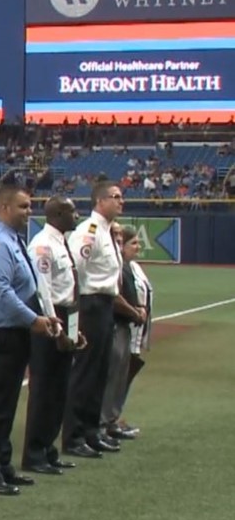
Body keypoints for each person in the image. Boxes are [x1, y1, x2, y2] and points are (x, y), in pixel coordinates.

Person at [0, 185, 61, 496]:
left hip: (13, 331)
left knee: (6, 404)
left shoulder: (13, 240)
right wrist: (33, 319)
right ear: (5, 207)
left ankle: (1, 465)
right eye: (23, 206)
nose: (29, 211)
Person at [21, 196, 84, 476]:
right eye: (72, 210)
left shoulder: (61, 241)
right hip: (50, 318)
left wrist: (73, 328)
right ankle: (35, 454)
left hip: (65, 314)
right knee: (44, 389)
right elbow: (43, 290)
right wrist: (57, 329)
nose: (77, 215)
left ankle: (48, 449)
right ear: (58, 213)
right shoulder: (43, 245)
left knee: (59, 389)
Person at [63, 182, 125, 458]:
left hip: (105, 305)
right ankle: (74, 435)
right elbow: (75, 267)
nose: (121, 201)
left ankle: (91, 431)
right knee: (86, 371)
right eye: (115, 197)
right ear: (100, 201)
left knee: (100, 370)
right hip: (91, 304)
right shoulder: (89, 231)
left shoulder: (106, 231)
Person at [101, 224, 147, 441]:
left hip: (128, 327)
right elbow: (115, 297)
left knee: (120, 375)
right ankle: (104, 422)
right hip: (117, 324)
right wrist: (134, 312)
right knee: (112, 376)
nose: (137, 247)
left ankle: (111, 420)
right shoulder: (117, 266)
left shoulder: (131, 266)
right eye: (133, 242)